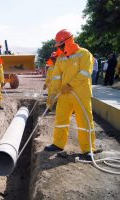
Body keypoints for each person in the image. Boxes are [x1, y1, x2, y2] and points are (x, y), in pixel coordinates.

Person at [45, 29, 96, 160]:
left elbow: (85, 73)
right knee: (61, 120)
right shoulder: (61, 58)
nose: (59, 48)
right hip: (64, 95)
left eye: (60, 45)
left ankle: (88, 149)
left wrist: (71, 85)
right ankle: (58, 144)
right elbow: (56, 77)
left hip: (81, 95)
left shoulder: (84, 54)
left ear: (68, 42)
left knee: (84, 121)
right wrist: (53, 94)